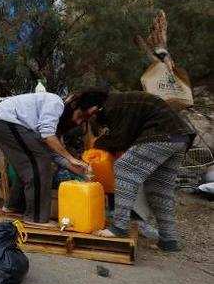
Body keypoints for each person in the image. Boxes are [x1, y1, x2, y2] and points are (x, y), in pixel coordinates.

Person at [70, 89, 194, 251]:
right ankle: (168, 240)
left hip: (162, 135)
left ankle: (119, 227)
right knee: (159, 189)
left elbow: (121, 138)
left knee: (124, 168)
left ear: (92, 108)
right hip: (180, 138)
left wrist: (97, 146)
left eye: (82, 115)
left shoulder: (114, 106)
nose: (81, 121)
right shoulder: (121, 101)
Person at [0, 92, 92, 225]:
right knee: (40, 164)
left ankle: (14, 206)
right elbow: (47, 136)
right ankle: (36, 218)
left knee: (29, 165)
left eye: (83, 121)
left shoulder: (50, 121)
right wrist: (70, 158)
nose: (78, 121)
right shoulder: (56, 104)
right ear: (73, 107)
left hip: (0, 122)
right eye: (80, 116)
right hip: (4, 121)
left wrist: (77, 169)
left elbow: (51, 151)